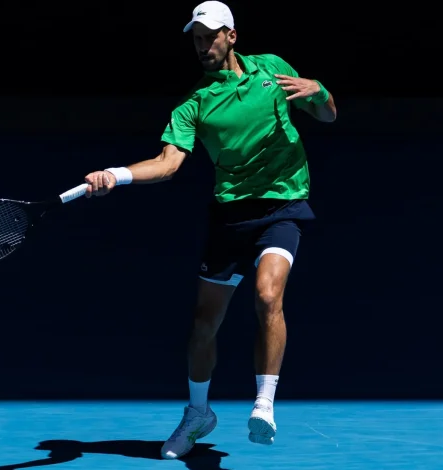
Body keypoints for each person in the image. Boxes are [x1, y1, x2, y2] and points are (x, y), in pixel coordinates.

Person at [82, 0, 337, 459]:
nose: (203, 46)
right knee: (204, 324)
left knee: (267, 295)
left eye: (210, 37)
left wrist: (319, 91)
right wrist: (116, 175)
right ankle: (198, 413)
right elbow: (167, 163)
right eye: (197, 39)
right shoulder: (194, 104)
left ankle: (263, 404)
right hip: (230, 217)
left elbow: (327, 114)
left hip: (282, 206)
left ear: (231, 36)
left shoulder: (273, 68)